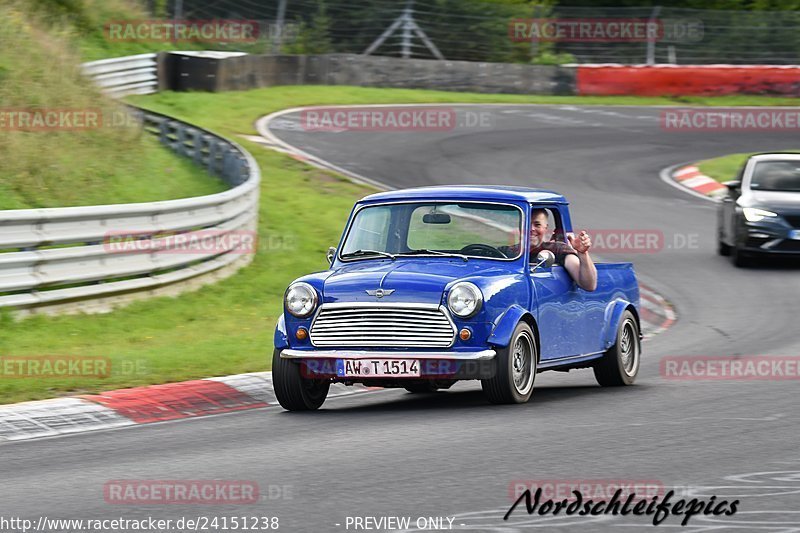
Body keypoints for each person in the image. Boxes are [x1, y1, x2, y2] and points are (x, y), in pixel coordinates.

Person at [530, 208, 597, 292]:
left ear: (545, 228)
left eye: (537, 225)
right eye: (527, 224)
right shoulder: (511, 252)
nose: (531, 229)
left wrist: (582, 253)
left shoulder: (557, 249)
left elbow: (589, 285)